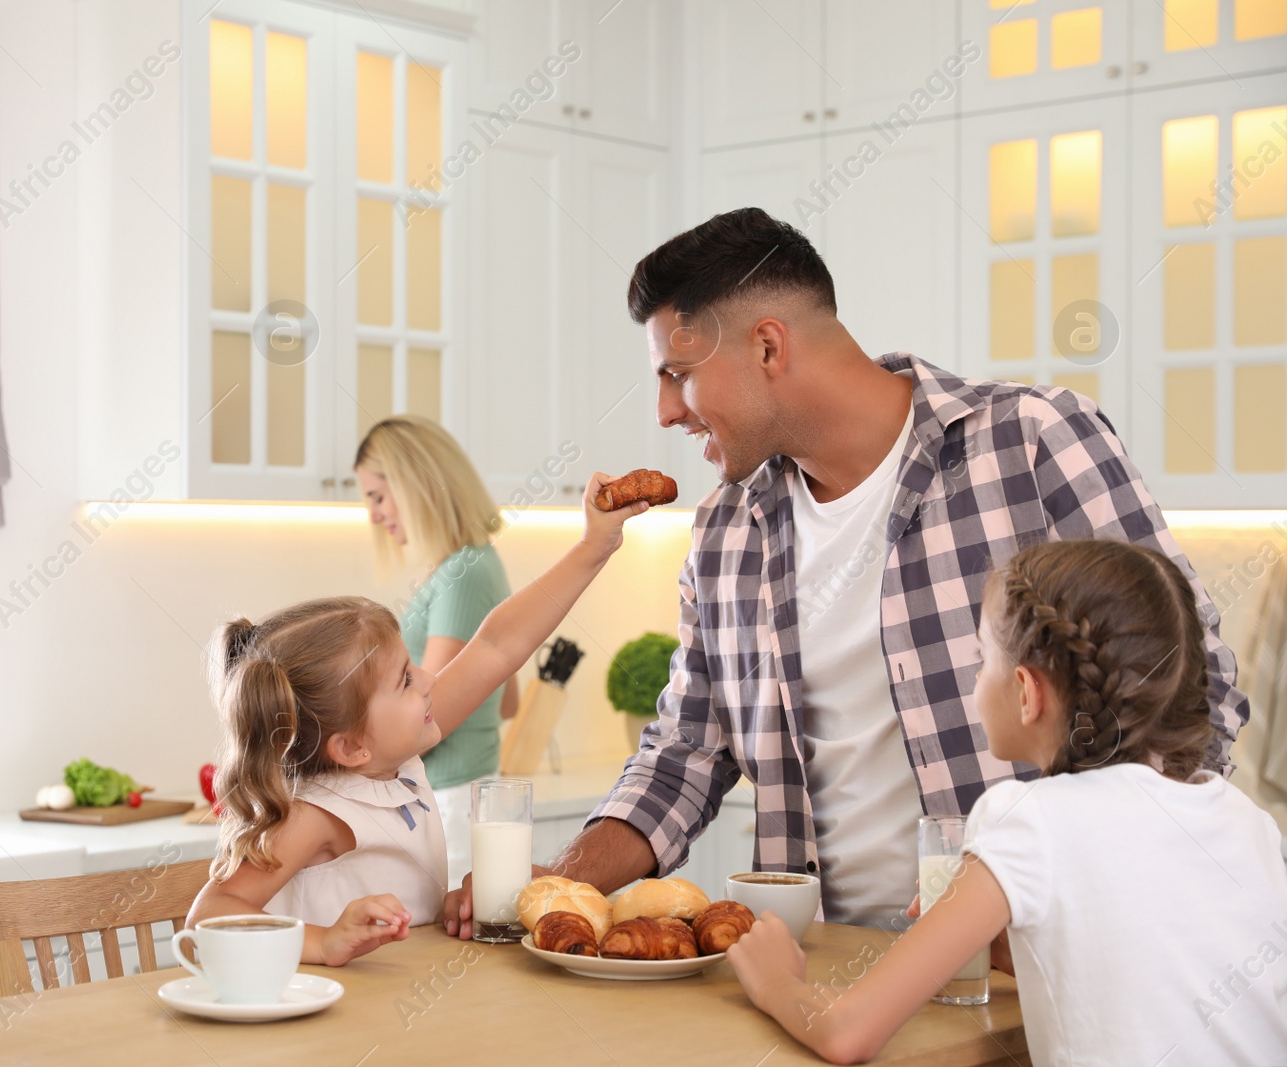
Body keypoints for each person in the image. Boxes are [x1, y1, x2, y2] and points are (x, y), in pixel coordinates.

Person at [445, 206, 1249, 940]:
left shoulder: (1030, 446)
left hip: (1035, 963)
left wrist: (1073, 885)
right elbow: (685, 753)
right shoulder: (726, 531)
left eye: (677, 372)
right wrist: (558, 881)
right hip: (820, 981)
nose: (664, 412)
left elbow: (1195, 687)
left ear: (767, 345)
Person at [726, 539, 1287, 1065]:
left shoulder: (1025, 817)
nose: (974, 682)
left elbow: (849, 1034)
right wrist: (1013, 951)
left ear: (1025, 691)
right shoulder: (1246, 820)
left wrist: (777, 983)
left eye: (981, 658)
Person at [184, 474, 649, 967]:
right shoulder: (314, 813)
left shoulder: (393, 758)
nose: (429, 679)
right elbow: (208, 917)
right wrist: (322, 941)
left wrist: (595, 545)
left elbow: (496, 646)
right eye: (405, 679)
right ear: (350, 748)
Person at [355, 416, 519, 890]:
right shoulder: (466, 566)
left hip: (449, 799)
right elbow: (508, 701)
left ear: (415, 485)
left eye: (377, 496)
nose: (373, 514)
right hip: (454, 794)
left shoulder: (463, 572)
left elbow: (434, 707)